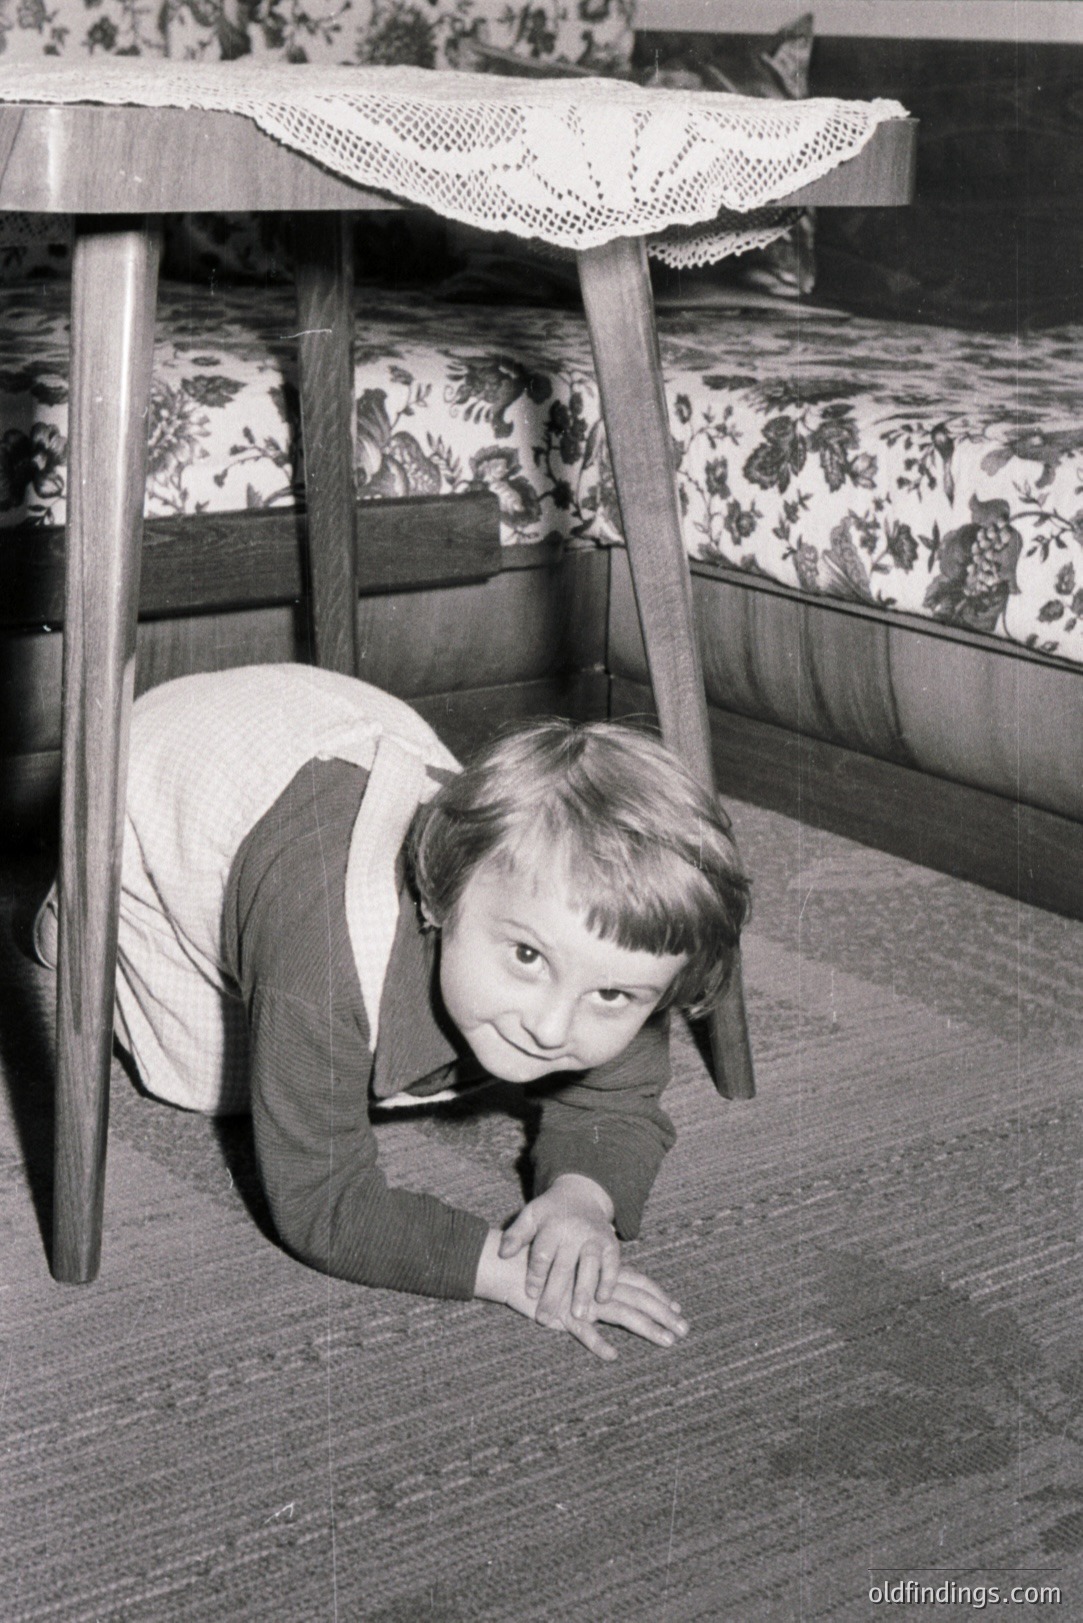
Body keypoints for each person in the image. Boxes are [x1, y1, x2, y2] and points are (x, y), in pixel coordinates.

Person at [36, 664, 750, 1359]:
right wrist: (500, 1270)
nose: (553, 1025)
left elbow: (617, 1103)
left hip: (325, 728)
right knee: (208, 1078)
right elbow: (322, 1202)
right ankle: (64, 909)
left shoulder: (602, 945)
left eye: (614, 995)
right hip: (167, 767)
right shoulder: (322, 966)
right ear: (440, 891)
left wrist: (582, 1198)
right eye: (527, 957)